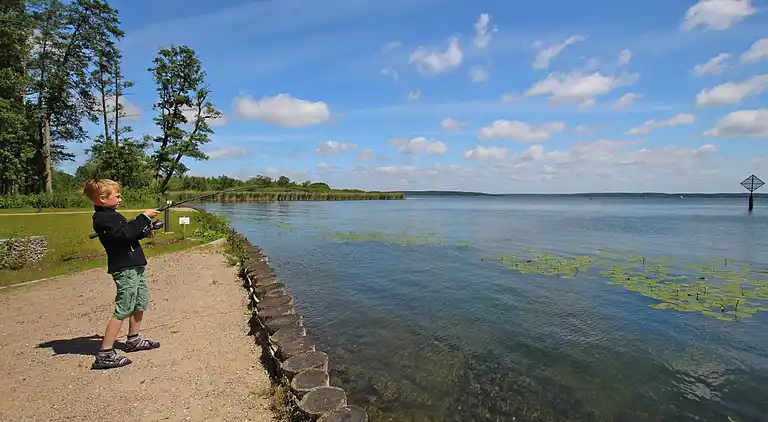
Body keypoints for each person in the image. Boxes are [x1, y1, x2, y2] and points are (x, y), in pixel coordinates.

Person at [83, 179, 161, 370]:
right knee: (124, 308)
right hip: (125, 268)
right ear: (102, 198)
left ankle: (133, 340)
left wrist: (146, 230)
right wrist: (143, 217)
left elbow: (127, 234)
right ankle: (105, 353)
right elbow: (125, 234)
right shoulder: (103, 218)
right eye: (116, 196)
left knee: (139, 303)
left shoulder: (112, 215)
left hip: (135, 266)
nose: (120, 199)